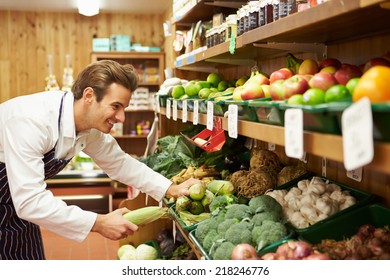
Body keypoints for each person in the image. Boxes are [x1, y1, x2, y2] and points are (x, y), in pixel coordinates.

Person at [0, 60, 199, 260]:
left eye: (124, 108)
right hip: (20, 200)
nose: (121, 117)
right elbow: (29, 201)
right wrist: (99, 222)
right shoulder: (31, 122)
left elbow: (121, 163)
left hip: (15, 205)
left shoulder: (88, 128)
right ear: (89, 96)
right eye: (116, 106)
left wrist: (170, 188)